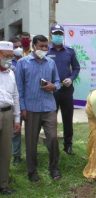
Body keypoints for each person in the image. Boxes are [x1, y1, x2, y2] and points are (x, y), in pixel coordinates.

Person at [15, 35, 61, 182]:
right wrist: (22, 108)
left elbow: (58, 81)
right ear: (34, 46)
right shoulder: (23, 63)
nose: (43, 49)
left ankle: (54, 168)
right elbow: (19, 88)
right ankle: (32, 171)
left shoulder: (51, 63)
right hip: (31, 108)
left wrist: (54, 86)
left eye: (46, 46)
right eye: (41, 46)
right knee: (31, 141)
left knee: (53, 138)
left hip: (49, 107)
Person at [47, 24, 80, 155]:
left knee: (67, 118)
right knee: (50, 119)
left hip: (66, 89)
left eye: (60, 34)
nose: (58, 36)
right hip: (51, 90)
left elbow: (76, 68)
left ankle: (68, 145)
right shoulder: (47, 51)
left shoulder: (70, 51)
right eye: (56, 34)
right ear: (51, 35)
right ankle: (52, 145)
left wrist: (71, 78)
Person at [0, 41, 20, 195]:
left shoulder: (11, 72)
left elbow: (15, 96)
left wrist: (17, 118)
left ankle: (3, 184)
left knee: (6, 150)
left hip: (7, 113)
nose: (8, 59)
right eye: (5, 56)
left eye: (10, 56)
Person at [9, 37, 23, 165]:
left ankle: (31, 153)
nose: (18, 48)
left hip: (26, 99)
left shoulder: (27, 60)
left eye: (19, 46)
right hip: (14, 99)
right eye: (15, 46)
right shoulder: (7, 62)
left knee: (32, 128)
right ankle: (16, 155)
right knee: (16, 129)